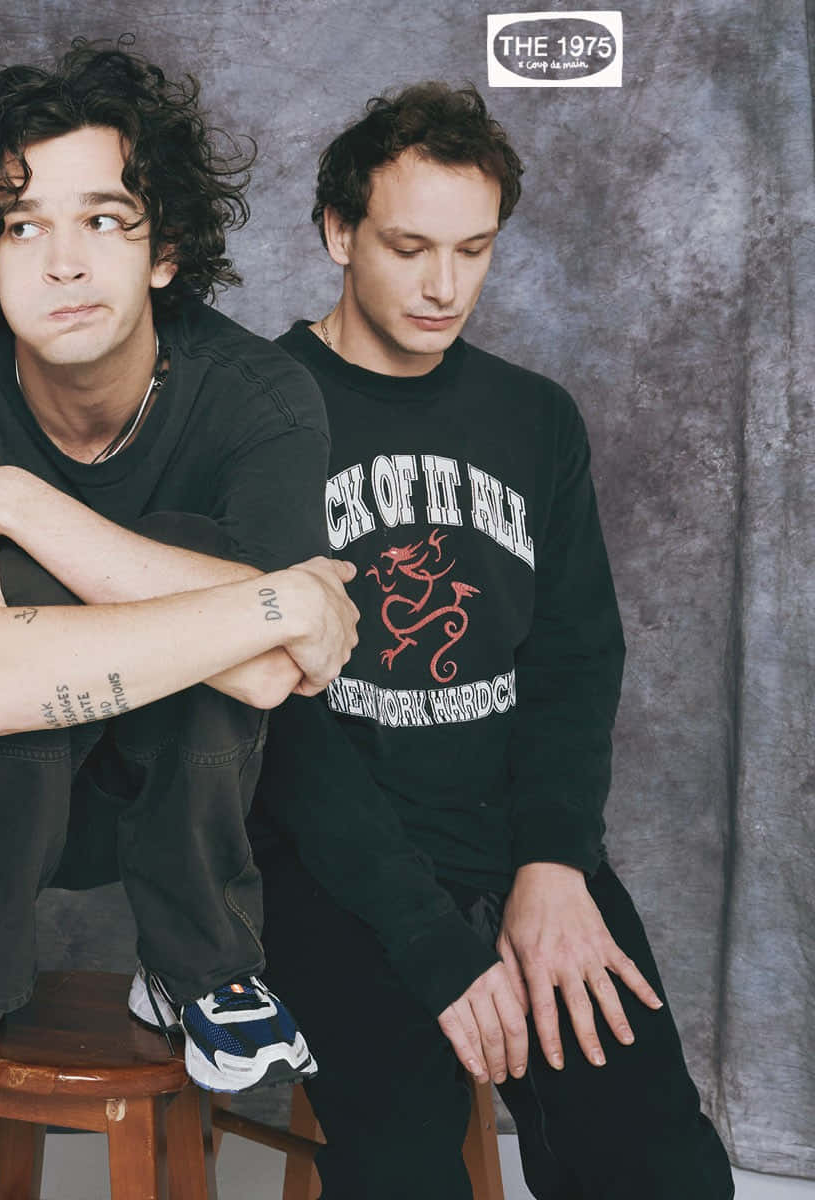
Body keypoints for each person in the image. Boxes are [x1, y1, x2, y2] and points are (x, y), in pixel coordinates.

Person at [0, 42, 359, 1120]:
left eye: (104, 221)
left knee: (156, 562)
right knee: (76, 595)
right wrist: (282, 599)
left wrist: (15, 499)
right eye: (23, 227)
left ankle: (200, 965)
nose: (63, 263)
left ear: (164, 249)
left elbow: (265, 682)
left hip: (165, 792)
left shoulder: (260, 398)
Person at [251, 81, 735, 1197]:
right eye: (410, 246)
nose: (443, 285)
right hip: (329, 861)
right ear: (338, 233)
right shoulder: (259, 411)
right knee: (408, 1164)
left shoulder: (534, 419)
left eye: (473, 250)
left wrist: (555, 864)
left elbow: (574, 661)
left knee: (660, 1160)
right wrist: (430, 939)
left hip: (513, 841)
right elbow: (277, 724)